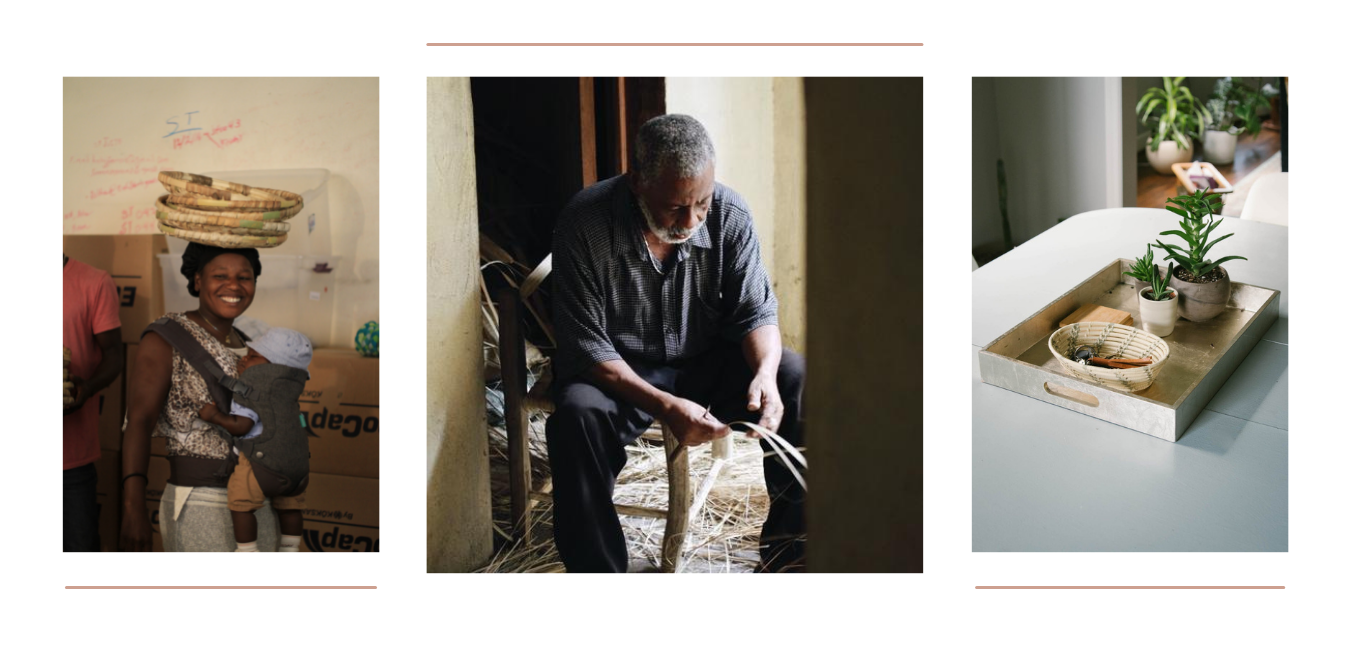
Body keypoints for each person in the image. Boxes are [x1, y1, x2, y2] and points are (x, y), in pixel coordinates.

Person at [548, 114, 806, 574]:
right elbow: (586, 346)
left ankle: (791, 558)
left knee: (795, 377)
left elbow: (757, 311)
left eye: (701, 202)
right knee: (576, 419)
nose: (691, 220)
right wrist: (666, 406)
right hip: (620, 370)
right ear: (637, 184)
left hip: (705, 357)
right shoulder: (585, 224)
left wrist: (765, 372)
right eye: (673, 207)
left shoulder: (731, 213)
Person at [122, 243, 290, 553]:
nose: (234, 286)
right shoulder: (166, 337)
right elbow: (139, 422)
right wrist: (133, 507)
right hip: (202, 500)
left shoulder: (250, 345)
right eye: (220, 276)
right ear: (198, 280)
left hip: (258, 502)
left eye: (245, 277)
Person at [196, 327, 312, 553]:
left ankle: (247, 549)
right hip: (298, 471)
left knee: (240, 504)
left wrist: (214, 416)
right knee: (290, 508)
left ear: (275, 367)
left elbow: (242, 426)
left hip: (261, 465)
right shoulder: (290, 395)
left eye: (253, 356)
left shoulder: (253, 388)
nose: (244, 358)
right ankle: (290, 548)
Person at [62, 252, 125, 553]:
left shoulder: (93, 281)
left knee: (80, 547)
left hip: (70, 460)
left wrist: (87, 388)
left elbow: (114, 355)